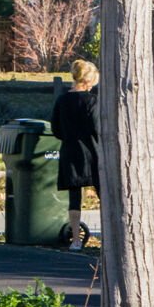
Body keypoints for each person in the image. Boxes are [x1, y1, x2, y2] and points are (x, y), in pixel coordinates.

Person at [51, 58, 100, 251]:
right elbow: (97, 127)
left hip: (70, 151)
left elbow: (55, 129)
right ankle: (111, 234)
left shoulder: (62, 100)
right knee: (103, 192)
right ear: (89, 81)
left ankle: (76, 239)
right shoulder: (92, 101)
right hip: (92, 152)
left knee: (74, 197)